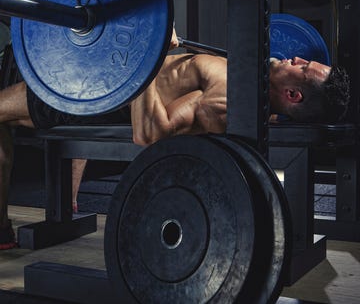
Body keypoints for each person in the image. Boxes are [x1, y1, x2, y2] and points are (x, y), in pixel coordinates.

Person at [0, 29, 350, 249]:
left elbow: (151, 132)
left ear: (293, 95)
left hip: (92, 97)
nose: (298, 58)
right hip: (102, 83)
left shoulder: (232, 101)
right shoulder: (250, 88)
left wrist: (148, 55)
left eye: (304, 68)